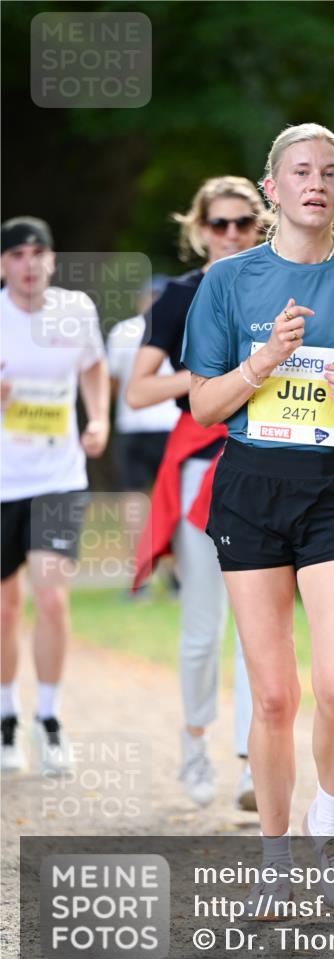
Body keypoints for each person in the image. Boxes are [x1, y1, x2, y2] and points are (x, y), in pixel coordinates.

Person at [182, 123, 334, 915]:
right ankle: (274, 862)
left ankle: (330, 822)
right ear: (273, 189)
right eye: (300, 171)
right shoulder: (230, 281)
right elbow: (202, 405)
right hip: (251, 486)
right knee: (273, 698)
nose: (316, 183)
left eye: (329, 172)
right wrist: (262, 361)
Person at [126, 177, 267, 811]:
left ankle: (251, 764)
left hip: (266, 462)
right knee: (204, 626)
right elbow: (137, 391)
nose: (231, 234)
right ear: (199, 229)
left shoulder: (278, 285)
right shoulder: (179, 297)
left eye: (243, 223)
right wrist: (209, 378)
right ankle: (193, 741)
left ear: (260, 225)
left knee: (258, 626)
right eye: (219, 224)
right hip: (199, 466)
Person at [1, 216, 109, 773]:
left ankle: (49, 716)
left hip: (58, 477)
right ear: (3, 266)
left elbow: (94, 366)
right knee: (5, 606)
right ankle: (6, 717)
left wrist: (99, 418)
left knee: (50, 596)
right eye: (16, 254)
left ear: (52, 260)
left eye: (37, 252)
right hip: (3, 481)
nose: (28, 264)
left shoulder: (76, 310)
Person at [107, 274, 179, 493]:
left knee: (133, 492)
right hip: (170, 423)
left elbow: (112, 382)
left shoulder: (122, 331)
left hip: (132, 422)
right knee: (172, 494)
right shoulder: (183, 328)